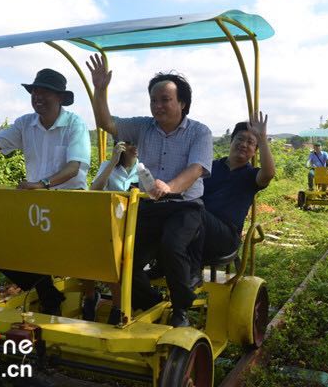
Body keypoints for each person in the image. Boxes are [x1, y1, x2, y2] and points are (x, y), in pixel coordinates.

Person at [87, 53, 213, 327]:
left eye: (165, 99)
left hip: (185, 205)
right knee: (121, 254)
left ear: (182, 103)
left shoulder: (199, 132)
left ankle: (181, 310)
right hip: (150, 203)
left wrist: (169, 187)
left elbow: (196, 169)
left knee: (171, 245)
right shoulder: (144, 126)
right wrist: (100, 90)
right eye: (154, 100)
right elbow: (107, 123)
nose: (158, 105)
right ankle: (153, 303)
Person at [0, 68, 91, 316]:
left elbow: (73, 167)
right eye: (34, 91)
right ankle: (48, 294)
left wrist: (43, 183)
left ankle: (90, 297)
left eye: (44, 91)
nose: (38, 96)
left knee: (85, 258)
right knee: (4, 253)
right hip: (36, 205)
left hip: (71, 203)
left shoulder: (75, 124)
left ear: (59, 97)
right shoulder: (25, 124)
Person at [190, 114, 275, 277]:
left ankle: (191, 273)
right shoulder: (210, 167)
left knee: (194, 209)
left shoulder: (252, 176)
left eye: (250, 143)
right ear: (231, 141)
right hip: (195, 228)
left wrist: (262, 138)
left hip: (225, 237)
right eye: (240, 139)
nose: (244, 145)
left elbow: (269, 173)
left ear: (255, 151)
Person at [85, 140, 139, 324]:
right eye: (130, 143)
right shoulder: (107, 166)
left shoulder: (144, 167)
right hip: (110, 224)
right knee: (88, 245)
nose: (135, 148)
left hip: (135, 226)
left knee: (115, 255)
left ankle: (117, 307)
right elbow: (95, 189)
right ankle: (90, 297)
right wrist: (113, 162)